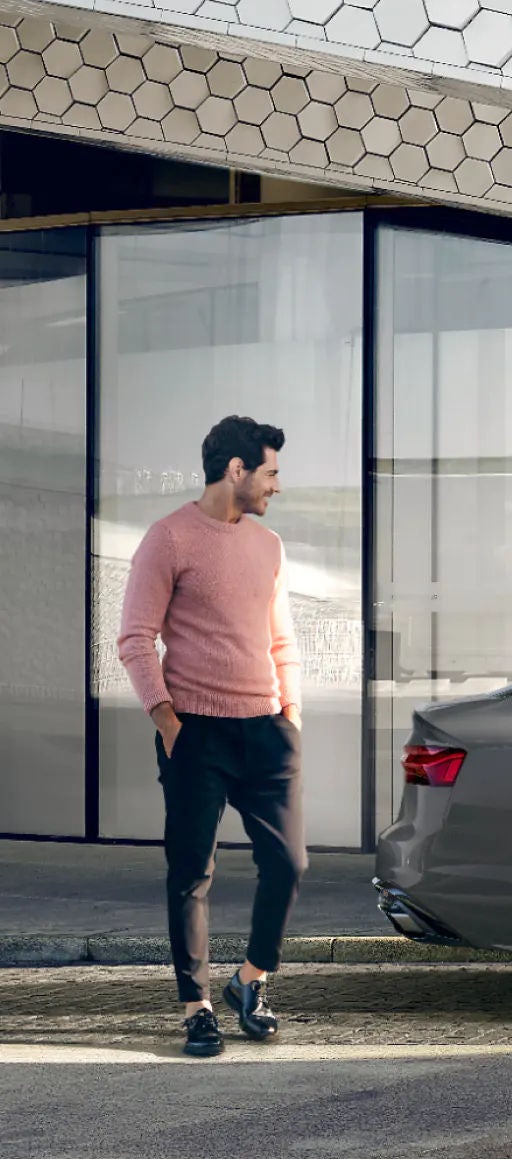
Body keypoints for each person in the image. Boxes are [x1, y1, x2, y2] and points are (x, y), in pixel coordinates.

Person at [117, 415, 307, 1058]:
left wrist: (291, 712)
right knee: (191, 872)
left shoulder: (269, 546)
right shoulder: (168, 539)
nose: (275, 485)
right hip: (195, 732)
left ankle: (250, 981)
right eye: (271, 471)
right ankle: (196, 1007)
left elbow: (281, 640)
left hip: (265, 730)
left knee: (288, 863)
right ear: (237, 470)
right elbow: (135, 637)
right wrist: (166, 719)